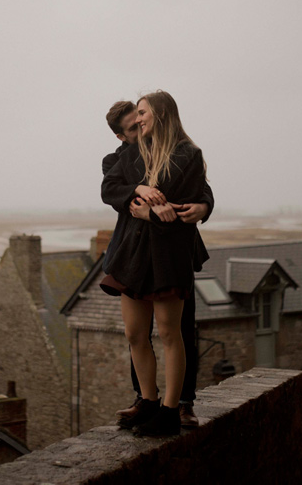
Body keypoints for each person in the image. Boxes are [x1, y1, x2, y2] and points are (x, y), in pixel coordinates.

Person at [100, 90, 210, 436]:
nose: (139, 121)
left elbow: (193, 197)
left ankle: (173, 409)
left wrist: (161, 212)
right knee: (135, 333)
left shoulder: (188, 155)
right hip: (132, 256)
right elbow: (111, 188)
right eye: (133, 122)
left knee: (170, 332)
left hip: (170, 255)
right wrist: (140, 191)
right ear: (122, 135)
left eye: (143, 114)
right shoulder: (127, 154)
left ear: (159, 115)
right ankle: (147, 401)